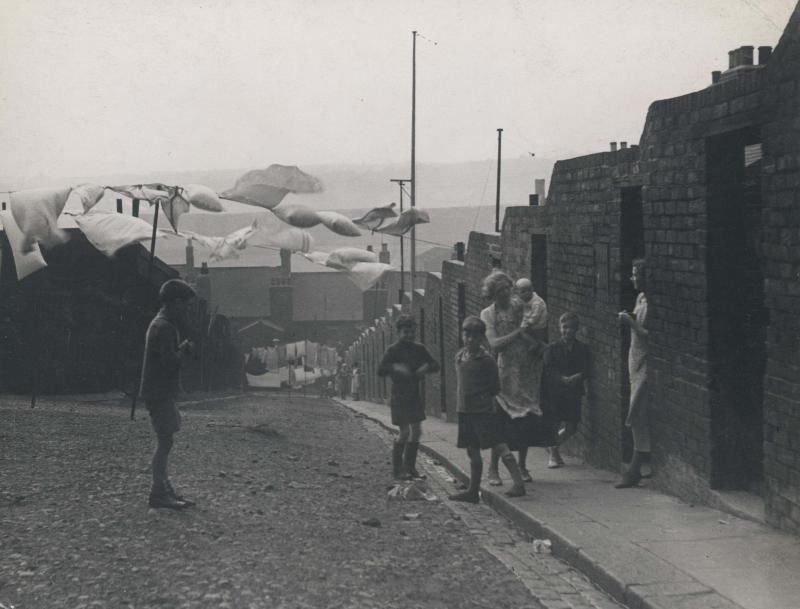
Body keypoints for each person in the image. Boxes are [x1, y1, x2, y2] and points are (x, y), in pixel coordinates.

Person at [480, 271, 555, 486]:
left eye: (507, 288)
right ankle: (494, 468)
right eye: (500, 290)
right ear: (493, 293)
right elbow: (494, 344)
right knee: (501, 420)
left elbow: (536, 320)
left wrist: (535, 342)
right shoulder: (488, 314)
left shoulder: (519, 306)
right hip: (505, 371)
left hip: (527, 368)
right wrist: (518, 332)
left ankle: (522, 465)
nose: (505, 293)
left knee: (525, 419)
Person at [449, 316, 526, 502]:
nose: (469, 340)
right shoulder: (460, 357)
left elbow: (495, 388)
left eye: (474, 336)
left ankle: (518, 484)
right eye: (466, 335)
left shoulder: (487, 360)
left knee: (500, 446)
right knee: (472, 451)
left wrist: (482, 401)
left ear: (481, 338)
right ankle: (473, 491)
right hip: (465, 412)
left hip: (483, 412)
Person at [140, 279, 196, 510]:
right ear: (174, 302)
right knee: (165, 442)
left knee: (167, 440)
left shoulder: (161, 323)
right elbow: (169, 363)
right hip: (159, 392)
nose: (186, 309)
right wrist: (183, 349)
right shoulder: (164, 327)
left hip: (158, 391)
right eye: (185, 304)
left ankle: (164, 488)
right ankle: (158, 492)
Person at [377, 314, 440, 480]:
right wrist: (396, 367)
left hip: (414, 395)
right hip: (399, 395)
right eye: (405, 332)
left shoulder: (419, 349)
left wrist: (425, 367)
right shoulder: (393, 350)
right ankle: (398, 470)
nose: (409, 335)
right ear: (398, 333)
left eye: (412, 332)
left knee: (417, 431)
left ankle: (410, 467)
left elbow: (435, 365)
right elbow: (380, 370)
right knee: (404, 432)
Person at [616, 258, 650, 488]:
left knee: (637, 413)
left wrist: (630, 322)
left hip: (646, 361)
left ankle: (635, 468)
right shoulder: (640, 298)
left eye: (636, 273)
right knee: (638, 413)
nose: (632, 277)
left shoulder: (652, 303)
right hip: (635, 360)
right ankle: (639, 466)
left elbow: (649, 334)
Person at [542, 312, 591, 468]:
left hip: (574, 392)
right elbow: (548, 370)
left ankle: (552, 447)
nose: (567, 331)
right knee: (555, 423)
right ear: (559, 328)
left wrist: (579, 376)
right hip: (556, 392)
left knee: (571, 427)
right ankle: (553, 456)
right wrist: (562, 379)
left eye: (571, 328)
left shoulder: (583, 348)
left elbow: (587, 369)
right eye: (564, 327)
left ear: (576, 329)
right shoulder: (552, 348)